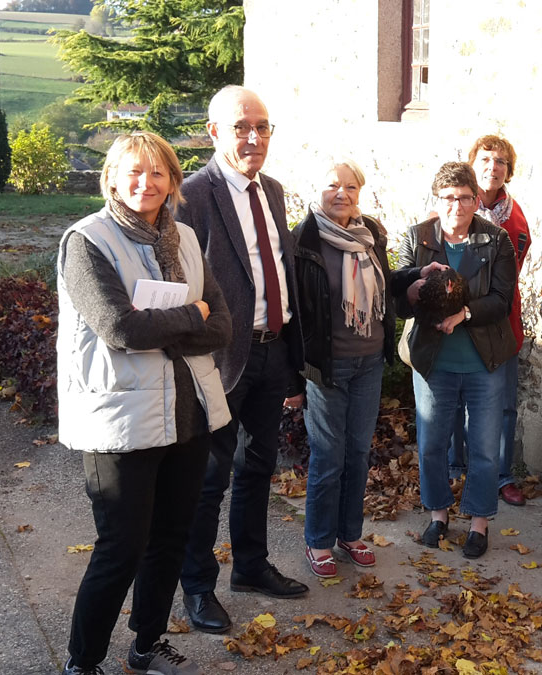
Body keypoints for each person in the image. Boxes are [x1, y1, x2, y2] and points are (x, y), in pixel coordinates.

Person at [56, 131, 232, 675]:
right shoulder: (87, 242)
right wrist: (191, 316)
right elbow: (120, 328)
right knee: (120, 549)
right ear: (110, 177)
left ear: (173, 183)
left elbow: (221, 326)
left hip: (188, 411)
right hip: (122, 419)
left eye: (158, 173)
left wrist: (181, 323)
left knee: (170, 540)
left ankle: (147, 645)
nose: (145, 183)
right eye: (133, 171)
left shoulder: (183, 237)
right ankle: (82, 663)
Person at [178, 85, 309, 635]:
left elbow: (278, 269)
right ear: (214, 132)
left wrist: (294, 354)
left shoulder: (272, 190)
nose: (254, 137)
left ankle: (250, 567)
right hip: (220, 360)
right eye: (240, 127)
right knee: (208, 478)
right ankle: (198, 586)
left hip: (271, 352)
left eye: (263, 126)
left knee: (258, 468)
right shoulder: (191, 195)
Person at [393, 161, 517, 559]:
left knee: (483, 446)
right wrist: (415, 287)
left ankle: (479, 523)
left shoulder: (496, 241)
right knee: (432, 444)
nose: (456, 205)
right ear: (437, 199)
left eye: (465, 197)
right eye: (448, 197)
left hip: (483, 361)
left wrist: (463, 314)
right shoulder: (416, 237)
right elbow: (398, 300)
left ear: (476, 199)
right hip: (434, 362)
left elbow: (501, 300)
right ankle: (438, 515)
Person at [293, 158, 394, 578]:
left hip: (370, 361)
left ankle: (350, 534)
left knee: (357, 453)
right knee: (328, 457)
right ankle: (318, 540)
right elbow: (294, 312)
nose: (342, 194)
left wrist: (418, 278)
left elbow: (387, 288)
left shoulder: (371, 236)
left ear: (359, 194)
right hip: (327, 367)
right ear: (317, 191)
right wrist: (293, 374)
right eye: (333, 186)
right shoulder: (303, 240)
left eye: (350, 188)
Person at [447, 134, 531, 507]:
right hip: (457, 319)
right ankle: (454, 470)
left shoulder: (516, 217)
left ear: (508, 171)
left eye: (500, 162)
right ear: (472, 164)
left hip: (499, 321)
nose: (492, 167)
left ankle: (500, 475)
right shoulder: (455, 205)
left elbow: (512, 275)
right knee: (452, 401)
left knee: (503, 403)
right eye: (485, 159)